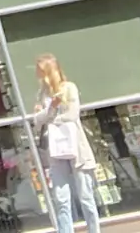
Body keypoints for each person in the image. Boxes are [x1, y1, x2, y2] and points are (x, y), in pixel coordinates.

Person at [32, 54, 102, 233]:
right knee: (61, 198)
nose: (37, 74)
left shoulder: (69, 88)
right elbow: (37, 120)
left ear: (48, 71)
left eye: (40, 70)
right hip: (56, 149)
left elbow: (72, 114)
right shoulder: (42, 94)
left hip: (76, 147)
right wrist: (52, 108)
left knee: (86, 196)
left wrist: (51, 119)